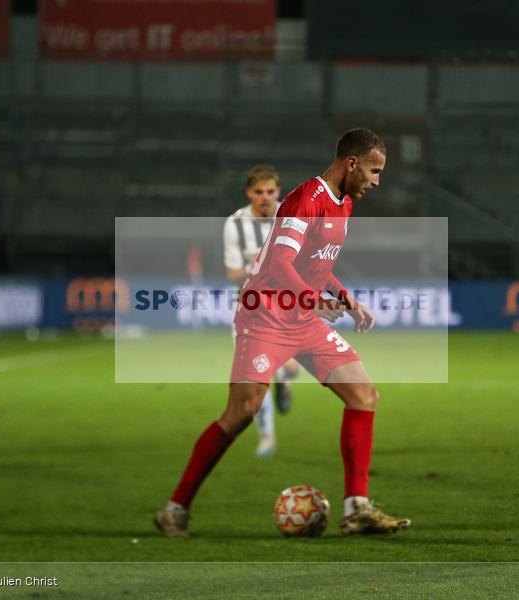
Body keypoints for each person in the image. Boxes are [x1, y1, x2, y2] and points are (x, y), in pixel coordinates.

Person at [156, 129, 411, 537]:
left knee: (363, 395)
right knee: (242, 412)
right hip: (265, 317)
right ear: (351, 163)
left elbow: (319, 263)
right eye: (374, 170)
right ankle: (175, 508)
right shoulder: (305, 200)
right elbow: (278, 263)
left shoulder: (343, 203)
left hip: (302, 318)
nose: (377, 181)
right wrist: (313, 301)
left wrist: (346, 299)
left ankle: (357, 509)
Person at [223, 166, 301, 458]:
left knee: (289, 368)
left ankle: (284, 379)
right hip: (248, 309)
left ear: (278, 192)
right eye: (258, 192)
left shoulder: (291, 219)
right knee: (255, 377)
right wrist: (253, 265)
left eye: (270, 191)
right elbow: (232, 273)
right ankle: (267, 437)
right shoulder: (234, 224)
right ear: (249, 193)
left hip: (286, 306)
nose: (264, 197)